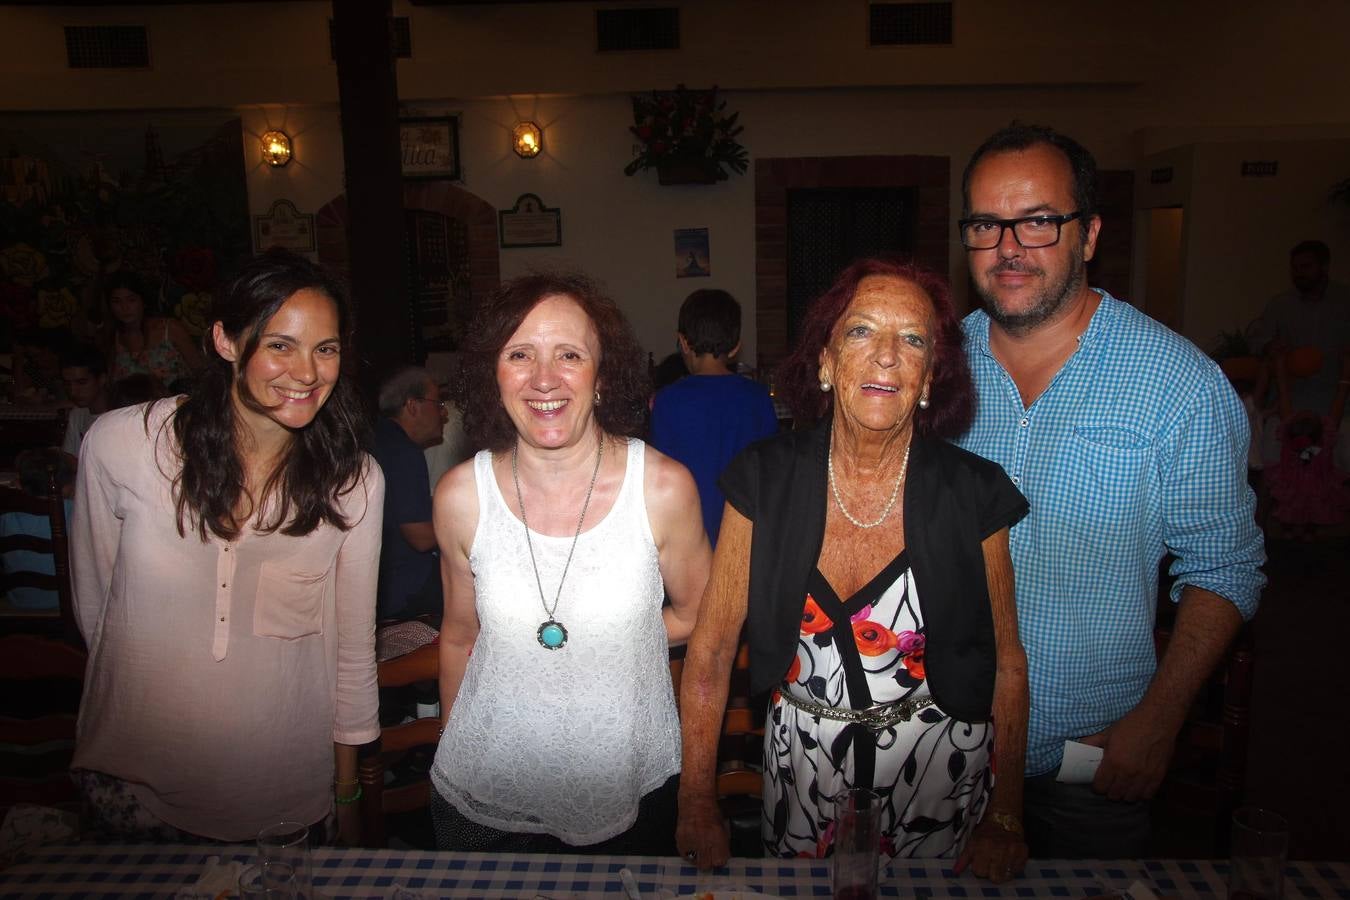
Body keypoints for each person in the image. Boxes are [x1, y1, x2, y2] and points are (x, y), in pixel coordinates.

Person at [954, 123, 1265, 858]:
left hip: (1091, 758)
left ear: (1089, 235)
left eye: (1037, 220)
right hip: (945, 747)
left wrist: (1157, 723)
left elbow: (1224, 571)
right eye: (985, 224)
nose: (1009, 246)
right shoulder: (933, 369)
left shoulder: (1180, 385)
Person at [677, 258, 1031, 882]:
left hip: (938, 779)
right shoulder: (762, 480)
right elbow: (708, 656)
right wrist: (697, 799)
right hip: (801, 779)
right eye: (862, 332)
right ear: (825, 361)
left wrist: (1006, 816)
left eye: (913, 339)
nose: (888, 356)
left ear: (928, 380)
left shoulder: (975, 493)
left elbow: (1006, 663)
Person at [69, 249, 383, 843]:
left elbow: (352, 652)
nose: (308, 372)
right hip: (133, 783)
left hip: (283, 794)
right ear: (225, 341)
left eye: (327, 348)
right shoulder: (122, 446)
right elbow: (99, 611)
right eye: (280, 345)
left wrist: (346, 790)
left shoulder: (352, 479)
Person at [429, 271, 710, 854]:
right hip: (485, 797)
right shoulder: (460, 496)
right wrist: (448, 739)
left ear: (602, 376)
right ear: (495, 375)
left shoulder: (662, 489)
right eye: (520, 355)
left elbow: (698, 615)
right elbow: (459, 637)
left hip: (630, 790)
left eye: (569, 355)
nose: (544, 379)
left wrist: (611, 641)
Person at [649, 289, 779, 544]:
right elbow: (772, 472)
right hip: (747, 535)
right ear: (736, 346)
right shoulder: (758, 398)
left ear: (683, 343)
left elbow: (657, 476)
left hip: (688, 535)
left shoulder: (668, 400)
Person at [1249, 240, 1350, 472]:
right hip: (1289, 404)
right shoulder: (1280, 305)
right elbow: (1257, 340)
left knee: (1345, 451)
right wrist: (1269, 347)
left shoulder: (1345, 302)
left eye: (1306, 267)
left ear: (1324, 266)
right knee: (1271, 453)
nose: (1299, 273)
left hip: (1338, 403)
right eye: (1295, 268)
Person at [373, 365, 448, 623]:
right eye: (438, 404)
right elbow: (420, 537)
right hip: (406, 591)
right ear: (413, 405)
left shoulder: (377, 438)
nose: (444, 413)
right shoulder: (404, 452)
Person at [101, 271, 204, 393]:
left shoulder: (169, 329)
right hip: (135, 410)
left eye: (131, 300)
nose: (125, 307)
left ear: (143, 301)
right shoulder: (112, 338)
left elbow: (201, 371)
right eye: (117, 301)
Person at [0, 448, 75, 612]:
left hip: (17, 602)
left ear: (20, 483)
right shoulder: (73, 512)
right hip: (64, 604)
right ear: (66, 487)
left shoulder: (7, 514)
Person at [60, 344, 110, 459]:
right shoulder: (77, 414)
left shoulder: (119, 415)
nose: (73, 391)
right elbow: (70, 460)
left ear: (102, 379)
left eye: (81, 382)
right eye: (67, 384)